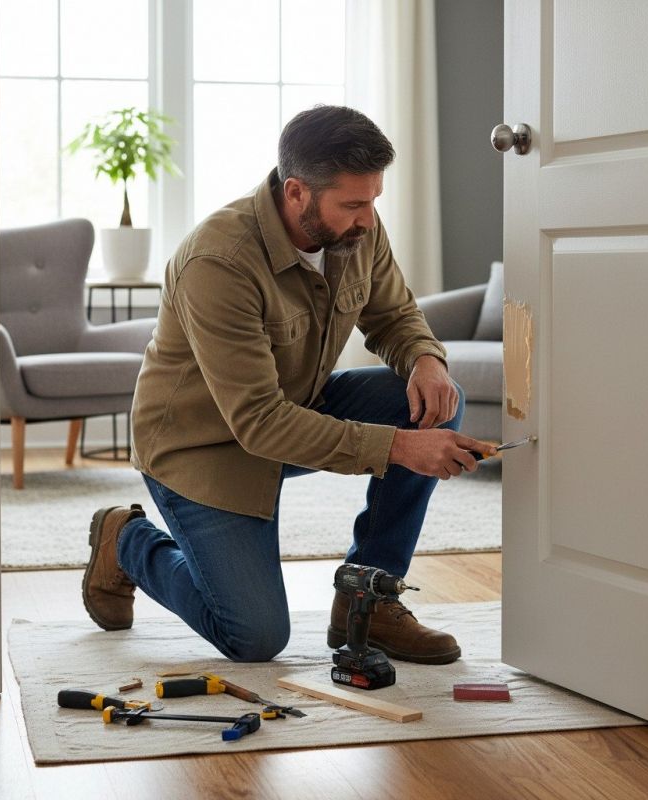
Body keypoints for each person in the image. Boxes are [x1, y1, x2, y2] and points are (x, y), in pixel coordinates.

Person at [82, 105, 496, 665]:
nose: (369, 219)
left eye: (374, 199)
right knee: (254, 637)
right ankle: (126, 542)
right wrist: (400, 448)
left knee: (432, 403)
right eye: (353, 203)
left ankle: (366, 602)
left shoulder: (357, 229)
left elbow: (394, 315)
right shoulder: (218, 262)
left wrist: (426, 359)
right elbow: (256, 422)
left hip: (294, 409)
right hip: (203, 447)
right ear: (297, 192)